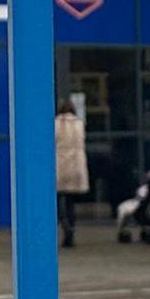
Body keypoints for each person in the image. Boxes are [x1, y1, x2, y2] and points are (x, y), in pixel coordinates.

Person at [52, 98, 89, 248]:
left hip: (60, 164)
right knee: (70, 201)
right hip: (75, 164)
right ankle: (71, 229)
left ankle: (64, 225)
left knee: (59, 199)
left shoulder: (55, 124)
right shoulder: (79, 124)